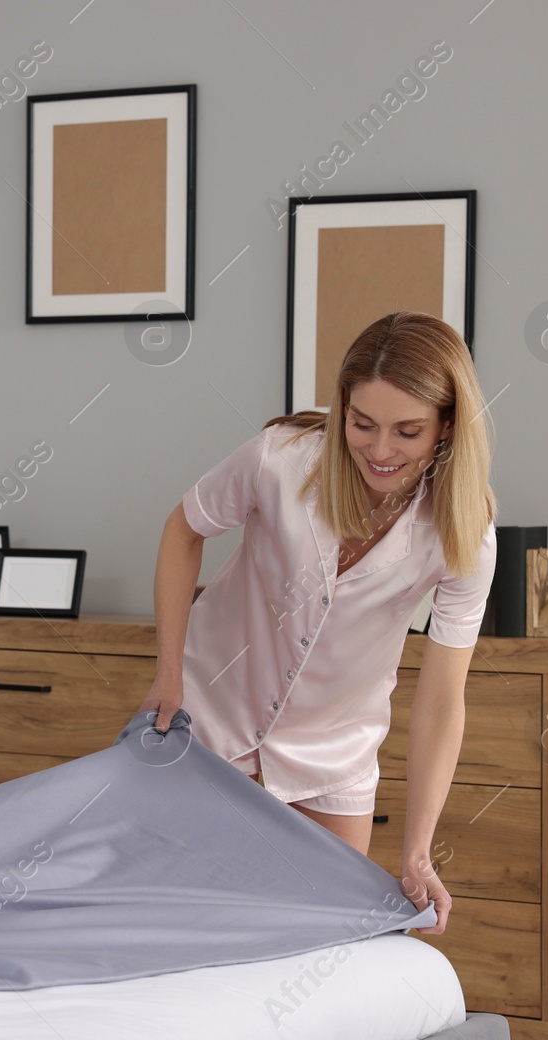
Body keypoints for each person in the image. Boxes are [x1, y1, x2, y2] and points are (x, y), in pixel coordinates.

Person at [141, 310, 497, 936]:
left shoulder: (463, 533)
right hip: (211, 720)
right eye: (363, 425)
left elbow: (441, 702)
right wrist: (169, 673)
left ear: (446, 426)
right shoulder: (278, 460)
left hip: (335, 756)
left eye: (407, 432)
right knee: (186, 930)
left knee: (314, 949)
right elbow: (183, 529)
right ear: (342, 407)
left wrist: (416, 853)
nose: (381, 451)